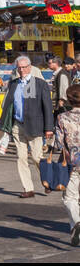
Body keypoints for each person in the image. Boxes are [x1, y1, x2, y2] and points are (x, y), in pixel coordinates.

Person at [0, 54, 55, 197]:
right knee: (21, 157)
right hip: (18, 125)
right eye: (19, 68)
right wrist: (6, 125)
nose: (21, 70)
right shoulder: (14, 83)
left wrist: (48, 128)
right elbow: (8, 105)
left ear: (29, 68)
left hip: (35, 125)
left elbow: (47, 107)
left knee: (36, 157)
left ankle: (48, 180)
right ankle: (28, 189)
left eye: (24, 67)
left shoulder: (39, 84)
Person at [56, 84, 80, 246]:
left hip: (73, 161)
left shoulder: (62, 118)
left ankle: (77, 222)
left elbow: (59, 143)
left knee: (69, 197)